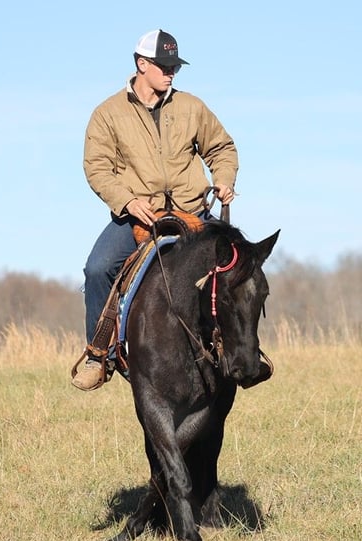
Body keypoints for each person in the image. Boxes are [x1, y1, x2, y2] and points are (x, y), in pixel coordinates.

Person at [72, 29, 238, 391]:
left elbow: (222, 147)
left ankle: (242, 351)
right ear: (141, 64)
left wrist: (224, 178)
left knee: (236, 263)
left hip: (192, 212)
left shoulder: (191, 106)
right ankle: (99, 355)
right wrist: (128, 201)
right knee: (97, 268)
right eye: (164, 66)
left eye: (174, 66)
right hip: (137, 217)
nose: (171, 73)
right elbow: (97, 167)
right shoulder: (107, 114)